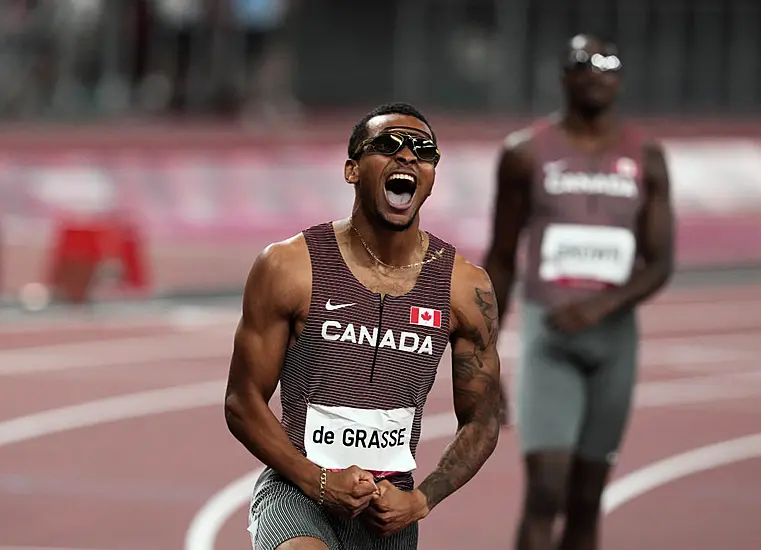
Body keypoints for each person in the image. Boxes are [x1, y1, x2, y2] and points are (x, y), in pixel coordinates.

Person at [225, 102, 502, 550]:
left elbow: (482, 420)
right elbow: (242, 401)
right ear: (352, 170)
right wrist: (317, 481)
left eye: (423, 150)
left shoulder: (464, 288)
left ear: (431, 176)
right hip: (297, 490)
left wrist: (421, 500)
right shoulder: (291, 266)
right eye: (389, 144)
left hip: (388, 509)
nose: (408, 156)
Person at [482, 34, 675, 550]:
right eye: (586, 64)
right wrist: (485, 353)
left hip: (614, 343)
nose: (599, 74)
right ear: (564, 76)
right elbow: (500, 257)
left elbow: (661, 263)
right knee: (545, 491)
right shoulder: (525, 154)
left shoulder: (648, 158)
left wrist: (601, 305)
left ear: (622, 80)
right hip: (550, 340)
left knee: (588, 500)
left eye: (611, 65)